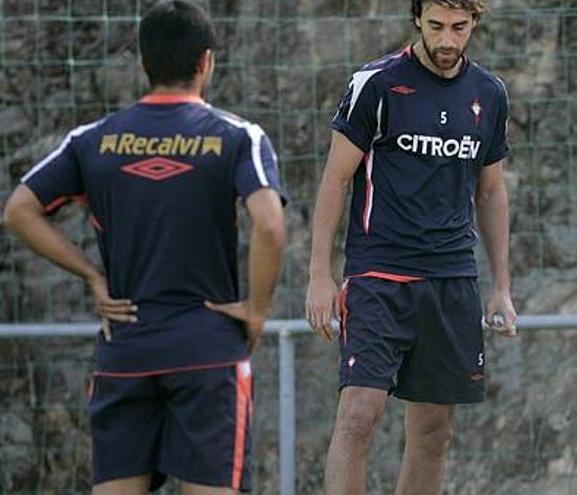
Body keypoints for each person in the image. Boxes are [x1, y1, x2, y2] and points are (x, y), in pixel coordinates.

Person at [3, 1, 286, 494]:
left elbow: (17, 211)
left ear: (142, 63)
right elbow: (269, 224)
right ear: (207, 62)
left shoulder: (93, 140)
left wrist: (92, 275)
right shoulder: (239, 136)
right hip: (207, 348)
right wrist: (257, 309)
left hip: (126, 349)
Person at [304, 1, 516, 493]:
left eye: (459, 28)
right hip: (379, 274)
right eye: (437, 26)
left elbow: (491, 191)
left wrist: (501, 286)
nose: (447, 40)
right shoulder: (376, 84)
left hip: (451, 279)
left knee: (433, 431)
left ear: (475, 25)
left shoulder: (490, 93)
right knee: (358, 414)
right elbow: (335, 180)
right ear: (417, 20)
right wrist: (319, 274)